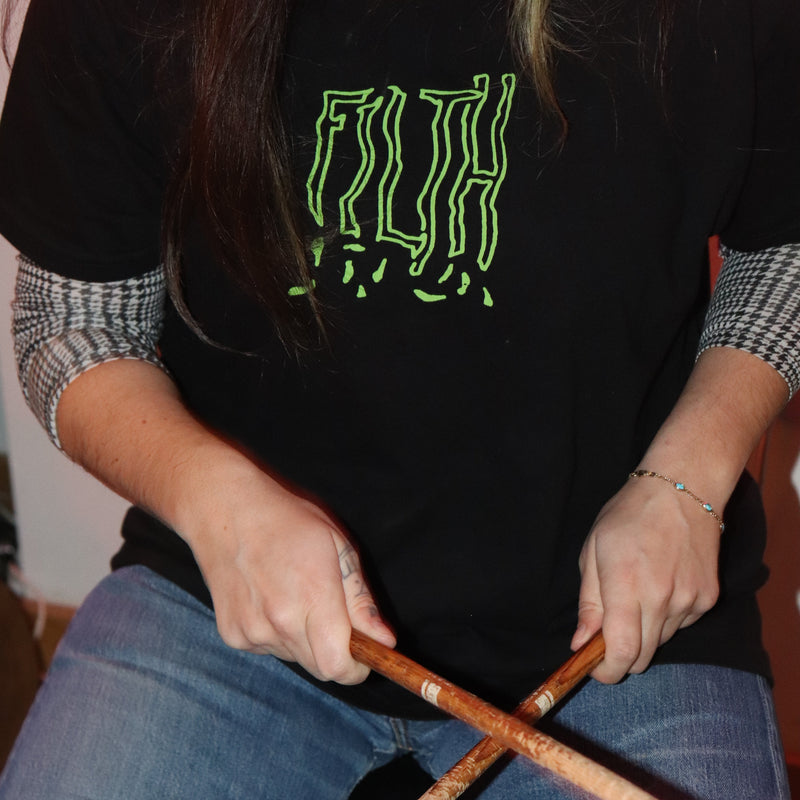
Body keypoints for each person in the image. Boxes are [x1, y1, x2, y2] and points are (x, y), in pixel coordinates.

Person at [0, 0, 798, 797]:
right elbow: (71, 320)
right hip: (226, 592)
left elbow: (785, 247)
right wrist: (217, 504)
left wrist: (685, 481)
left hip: (620, 623)